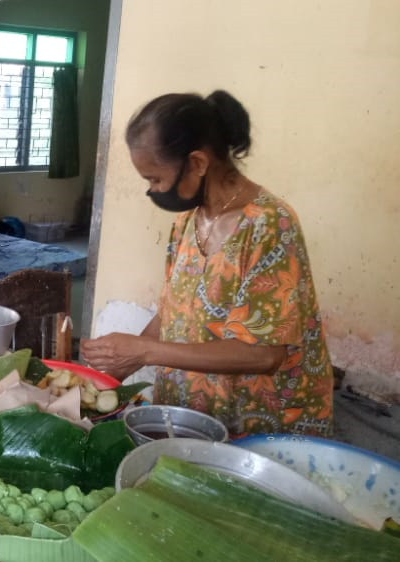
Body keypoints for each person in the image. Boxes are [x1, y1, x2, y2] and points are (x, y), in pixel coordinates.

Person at [80, 90, 333, 439]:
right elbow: (173, 311)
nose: (152, 191)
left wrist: (145, 351)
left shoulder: (269, 225)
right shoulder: (187, 223)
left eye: (155, 179)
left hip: (258, 423)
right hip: (194, 414)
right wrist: (118, 368)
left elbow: (264, 355)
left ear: (198, 163)